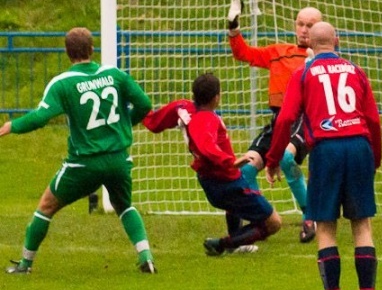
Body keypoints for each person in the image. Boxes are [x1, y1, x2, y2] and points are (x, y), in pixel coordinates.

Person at [0, 27, 157, 274]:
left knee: (46, 207)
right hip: (118, 158)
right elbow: (145, 104)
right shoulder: (114, 74)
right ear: (92, 49)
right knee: (124, 205)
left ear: (67, 52)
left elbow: (41, 117)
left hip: (84, 164)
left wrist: (12, 125)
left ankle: (25, 265)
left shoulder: (62, 83)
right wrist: (126, 122)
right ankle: (146, 256)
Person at [265, 21, 382, 290]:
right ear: (337, 41)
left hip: (326, 150)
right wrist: (375, 158)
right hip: (358, 147)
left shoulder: (303, 74)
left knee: (326, 226)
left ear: (309, 46)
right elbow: (373, 120)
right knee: (362, 224)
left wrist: (273, 158)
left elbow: (285, 119)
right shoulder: (355, 71)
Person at [143, 72, 282, 255]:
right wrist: (230, 162)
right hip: (226, 182)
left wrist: (138, 110)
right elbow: (205, 146)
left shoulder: (183, 107)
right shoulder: (205, 119)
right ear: (216, 97)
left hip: (210, 179)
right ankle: (222, 244)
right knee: (273, 223)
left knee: (235, 204)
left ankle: (235, 240)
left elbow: (155, 122)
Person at [226, 0, 318, 243]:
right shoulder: (279, 51)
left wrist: (314, 62)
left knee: (287, 157)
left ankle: (310, 216)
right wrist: (233, 27)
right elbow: (244, 53)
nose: (304, 29)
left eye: (310, 25)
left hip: (304, 120)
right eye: (301, 23)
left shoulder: (323, 58)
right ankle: (261, 218)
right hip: (278, 121)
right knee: (244, 169)